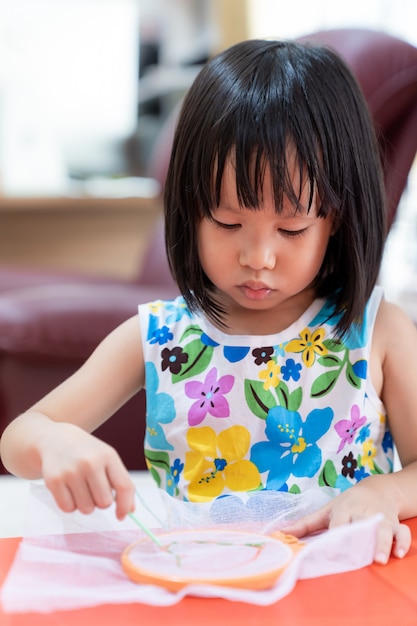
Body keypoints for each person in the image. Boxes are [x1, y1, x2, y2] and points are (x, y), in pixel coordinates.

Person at [1, 38, 417, 566]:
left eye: (291, 228)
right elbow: (19, 437)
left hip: (347, 585)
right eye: (227, 222)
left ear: (336, 218)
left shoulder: (377, 330)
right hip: (203, 588)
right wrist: (55, 445)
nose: (258, 256)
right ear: (189, 209)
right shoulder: (159, 337)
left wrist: (386, 493)